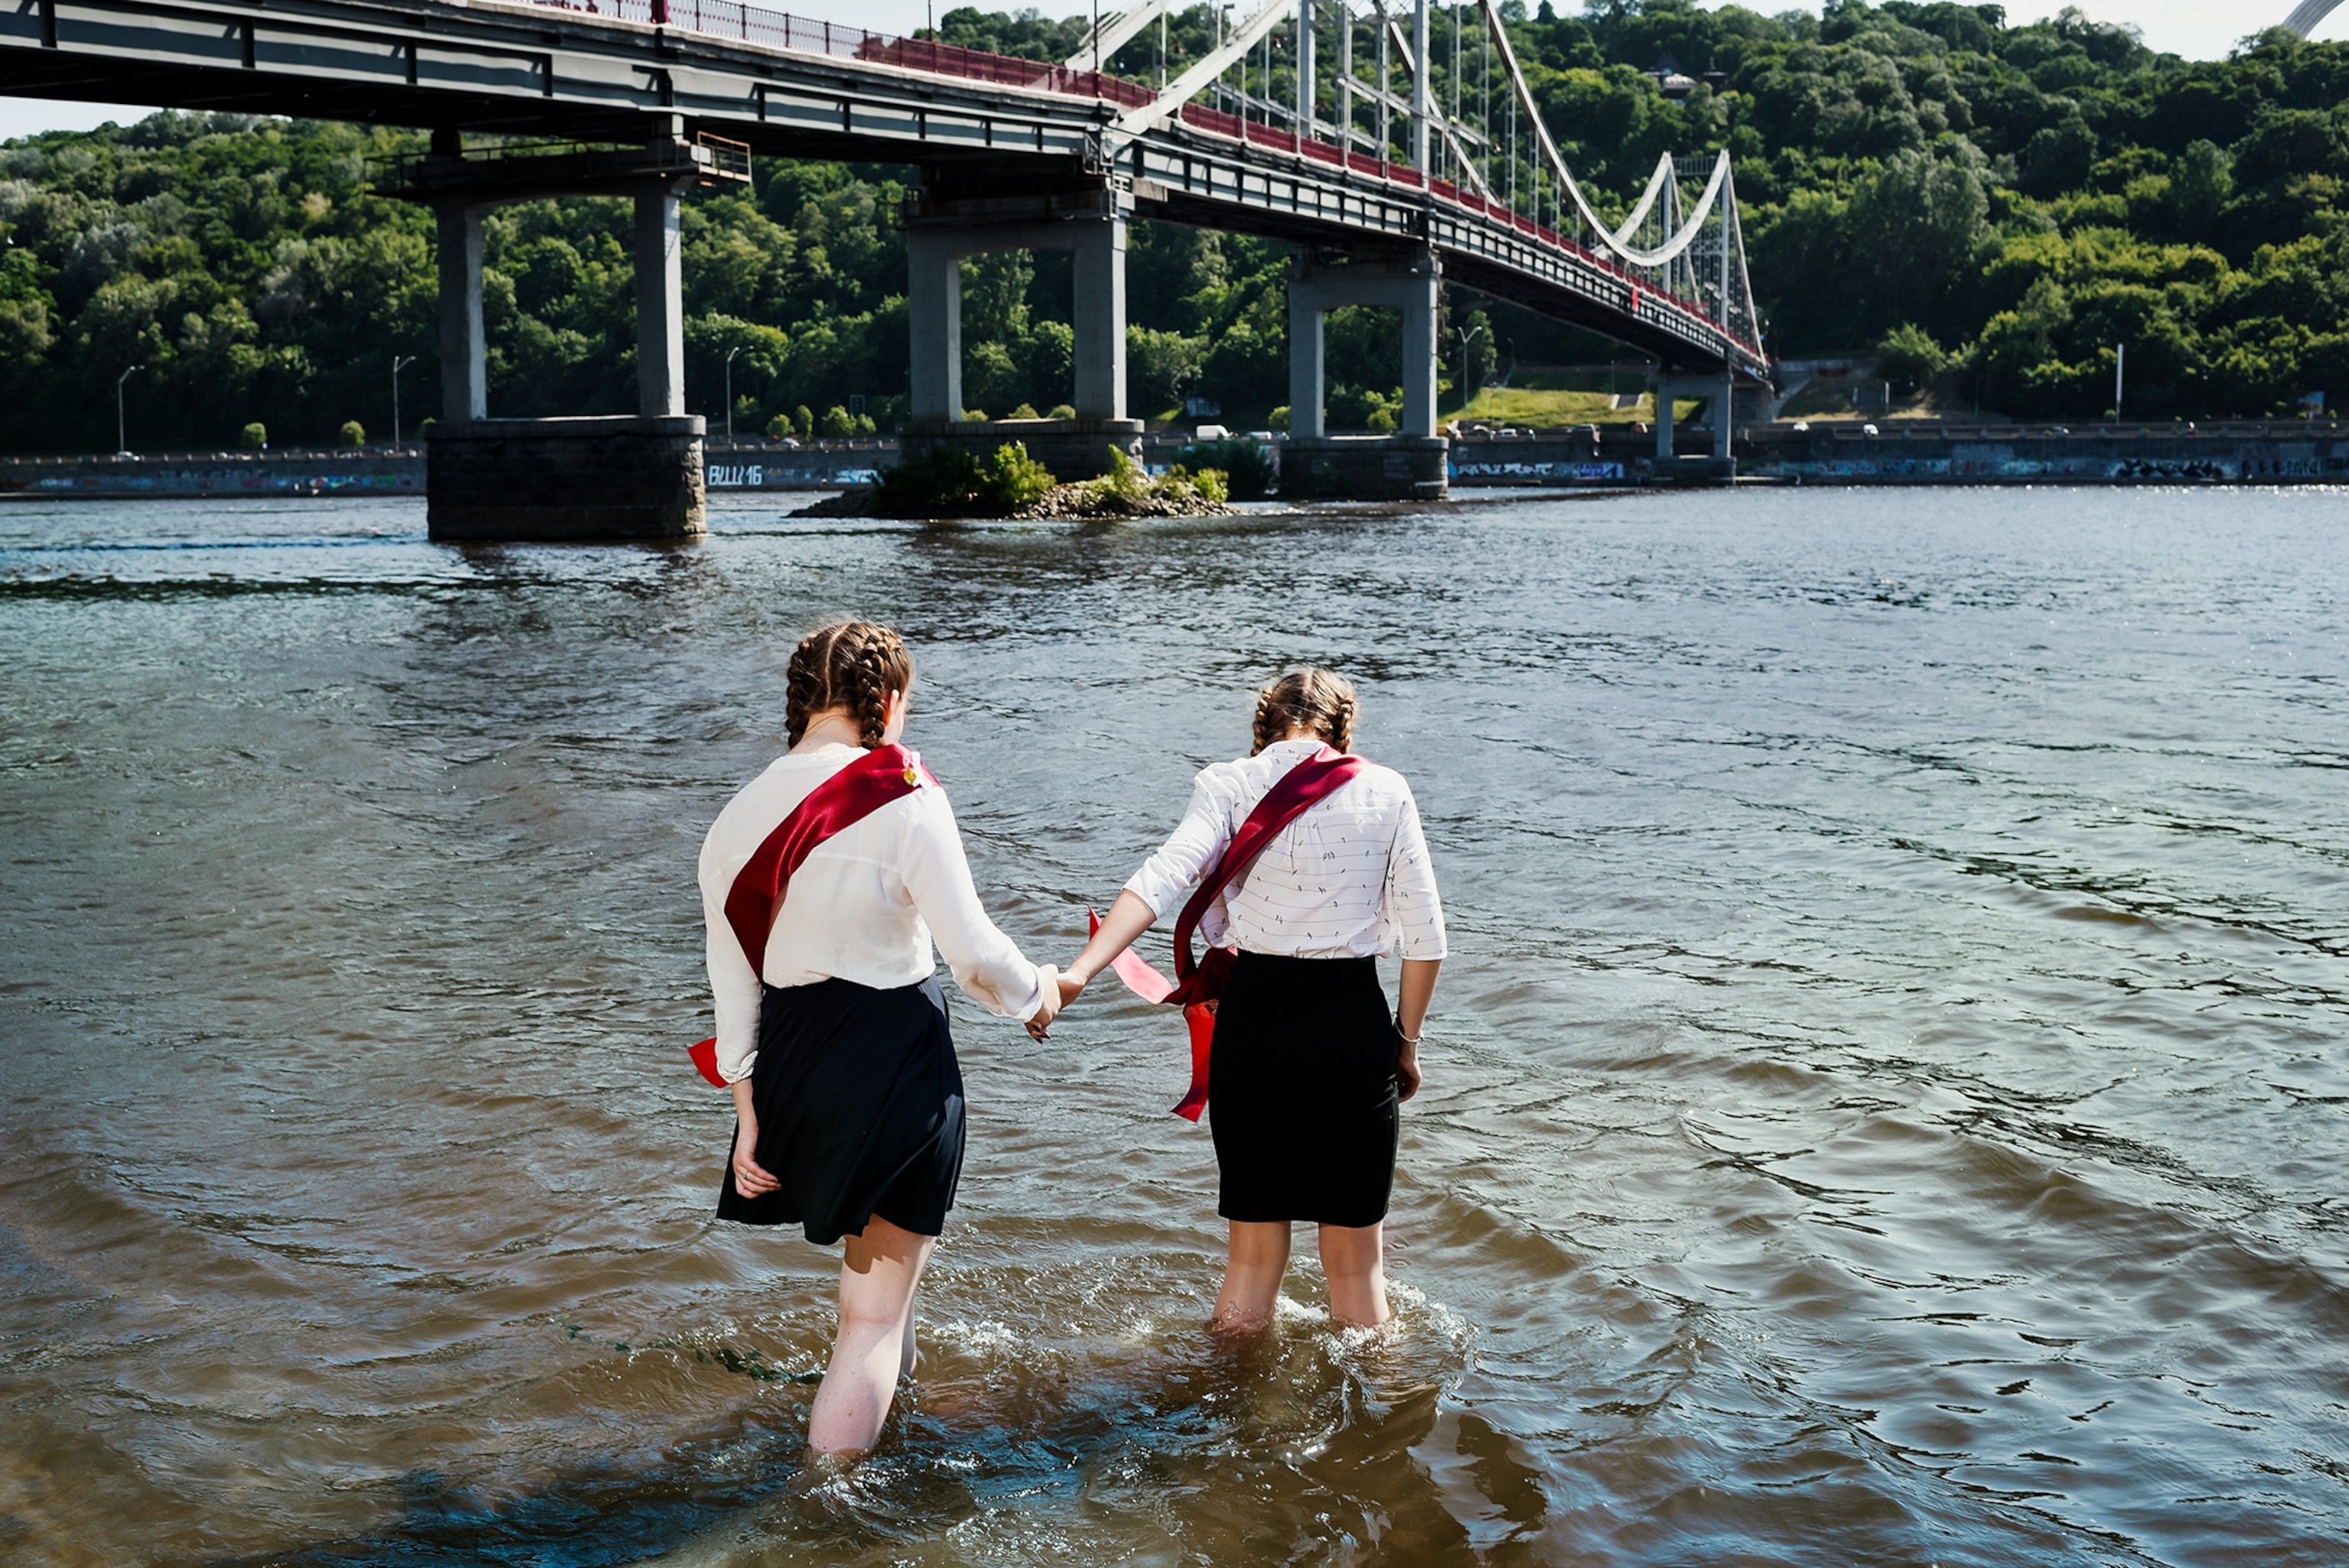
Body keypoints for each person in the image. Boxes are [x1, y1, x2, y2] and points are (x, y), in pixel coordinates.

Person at [700, 620, 1061, 1455]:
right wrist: (1037, 993)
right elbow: (972, 954)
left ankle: (864, 1433)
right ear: (888, 702)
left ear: (802, 702)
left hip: (791, 1062)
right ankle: (828, 1505)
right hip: (892, 1054)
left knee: (864, 1305)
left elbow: (733, 984)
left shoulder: (733, 817)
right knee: (874, 1317)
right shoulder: (904, 793)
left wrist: (748, 1112)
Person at [1056, 668, 1444, 1334]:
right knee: (1357, 1266)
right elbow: (1427, 940)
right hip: (1350, 1027)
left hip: (1254, 1024)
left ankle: (1226, 1412)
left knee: (1253, 1259)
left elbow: (1161, 879)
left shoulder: (1227, 784)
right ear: (1343, 731)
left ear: (1260, 728)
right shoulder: (1386, 789)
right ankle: (1383, 1426)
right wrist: (1404, 1044)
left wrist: (1078, 973)